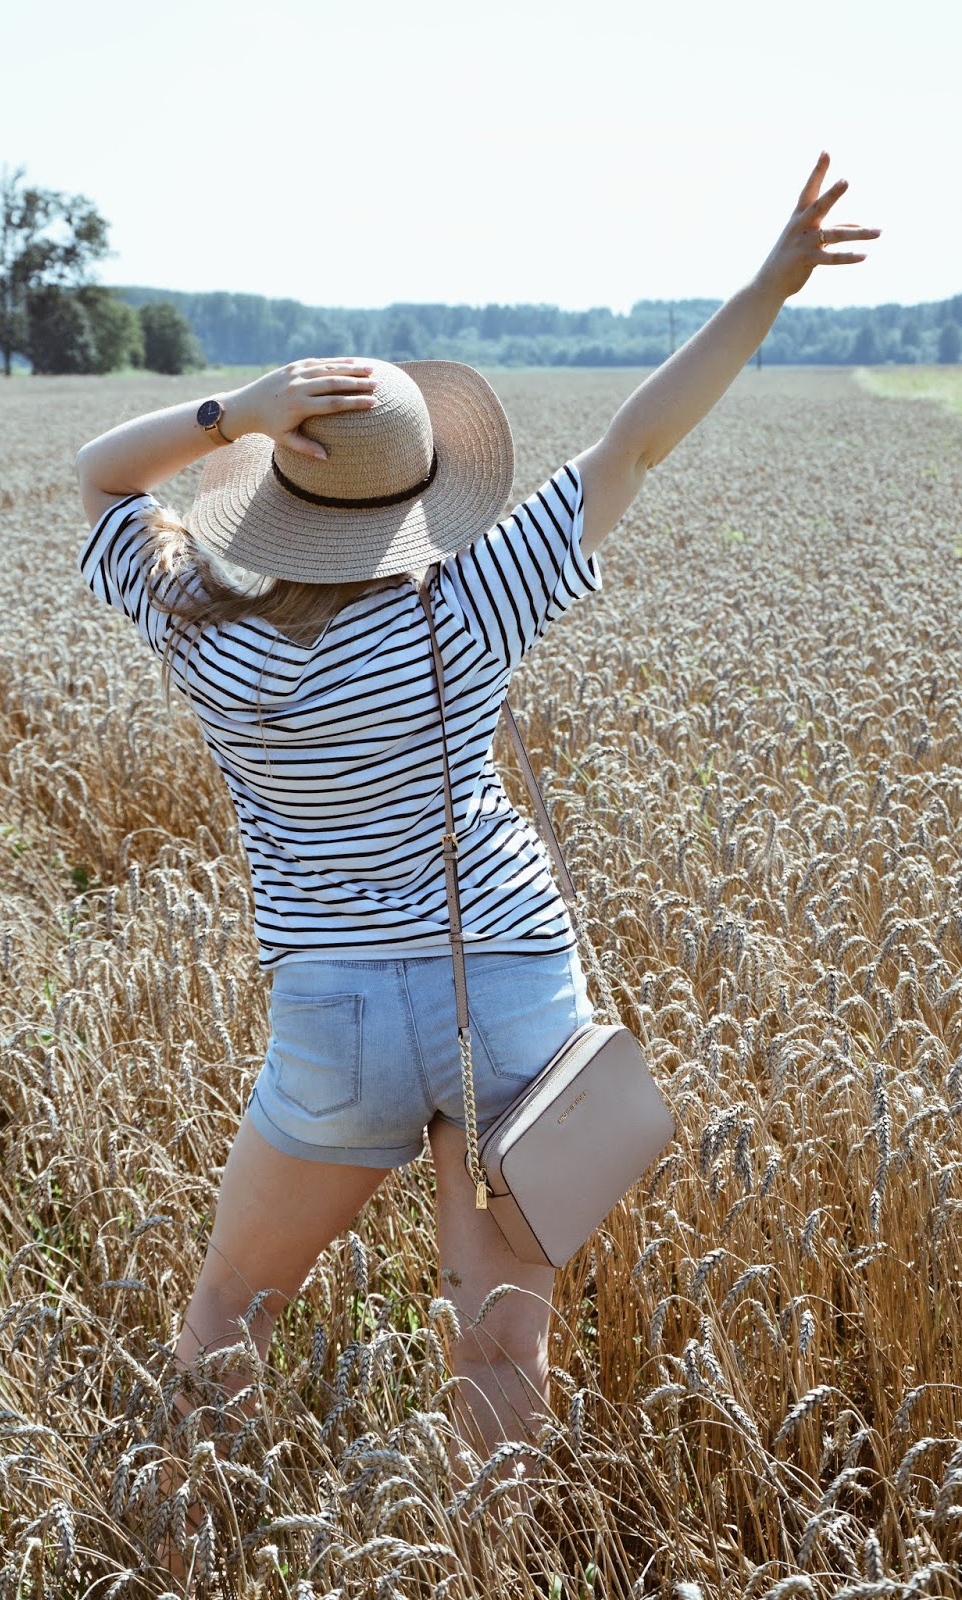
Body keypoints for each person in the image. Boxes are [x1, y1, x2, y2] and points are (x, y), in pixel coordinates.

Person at [74, 153, 877, 1569]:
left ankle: (180, 1559)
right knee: (500, 1355)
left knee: (226, 1320)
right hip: (504, 984)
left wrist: (238, 409)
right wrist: (771, 282)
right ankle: (496, 1572)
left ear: (272, 491)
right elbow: (633, 444)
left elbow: (96, 475)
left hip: (332, 1010)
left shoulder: (198, 620)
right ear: (416, 498)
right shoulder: (471, 598)